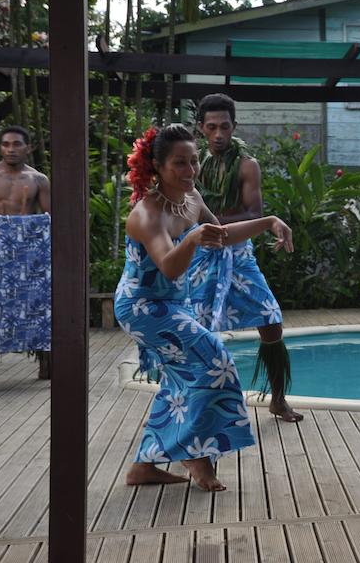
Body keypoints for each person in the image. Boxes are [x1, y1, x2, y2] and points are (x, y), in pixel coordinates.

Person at [115, 124, 294, 490]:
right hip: (141, 307)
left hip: (172, 303)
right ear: (158, 167)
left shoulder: (191, 198)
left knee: (185, 376)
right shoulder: (147, 214)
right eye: (179, 163)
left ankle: (144, 466)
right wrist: (194, 237)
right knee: (215, 361)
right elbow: (170, 266)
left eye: (193, 161)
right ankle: (196, 457)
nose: (190, 171)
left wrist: (269, 221)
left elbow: (222, 236)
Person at [189, 93, 302, 422]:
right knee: (194, 326)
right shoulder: (193, 163)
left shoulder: (246, 164)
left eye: (225, 126)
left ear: (234, 126)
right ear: (201, 128)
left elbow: (254, 211)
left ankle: (278, 399)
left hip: (237, 254)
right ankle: (191, 404)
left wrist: (212, 220)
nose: (219, 134)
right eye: (212, 127)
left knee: (271, 320)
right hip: (199, 252)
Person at [0, 125, 52, 379]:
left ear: (28, 148)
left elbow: (50, 219)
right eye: (6, 144)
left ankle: (46, 362)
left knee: (36, 305)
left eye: (16, 144)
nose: (11, 149)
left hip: (26, 256)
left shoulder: (38, 179)